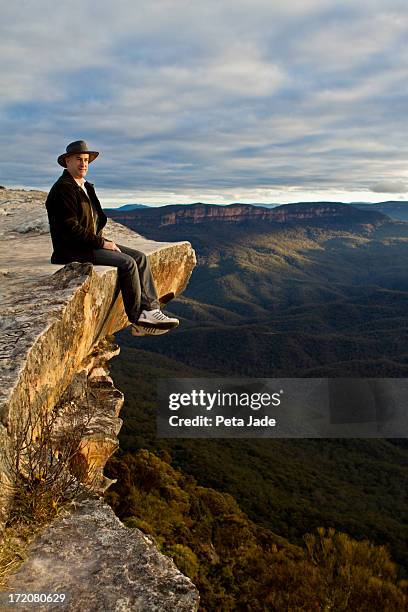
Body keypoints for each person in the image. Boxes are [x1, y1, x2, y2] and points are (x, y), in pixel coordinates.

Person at [45, 140, 179, 335]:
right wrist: (101, 243)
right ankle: (138, 320)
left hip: (89, 242)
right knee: (127, 263)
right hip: (73, 249)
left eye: (86, 160)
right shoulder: (62, 189)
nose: (83, 164)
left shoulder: (85, 187)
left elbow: (94, 218)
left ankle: (151, 310)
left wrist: (100, 239)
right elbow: (69, 227)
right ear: (67, 162)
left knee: (140, 257)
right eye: (78, 160)